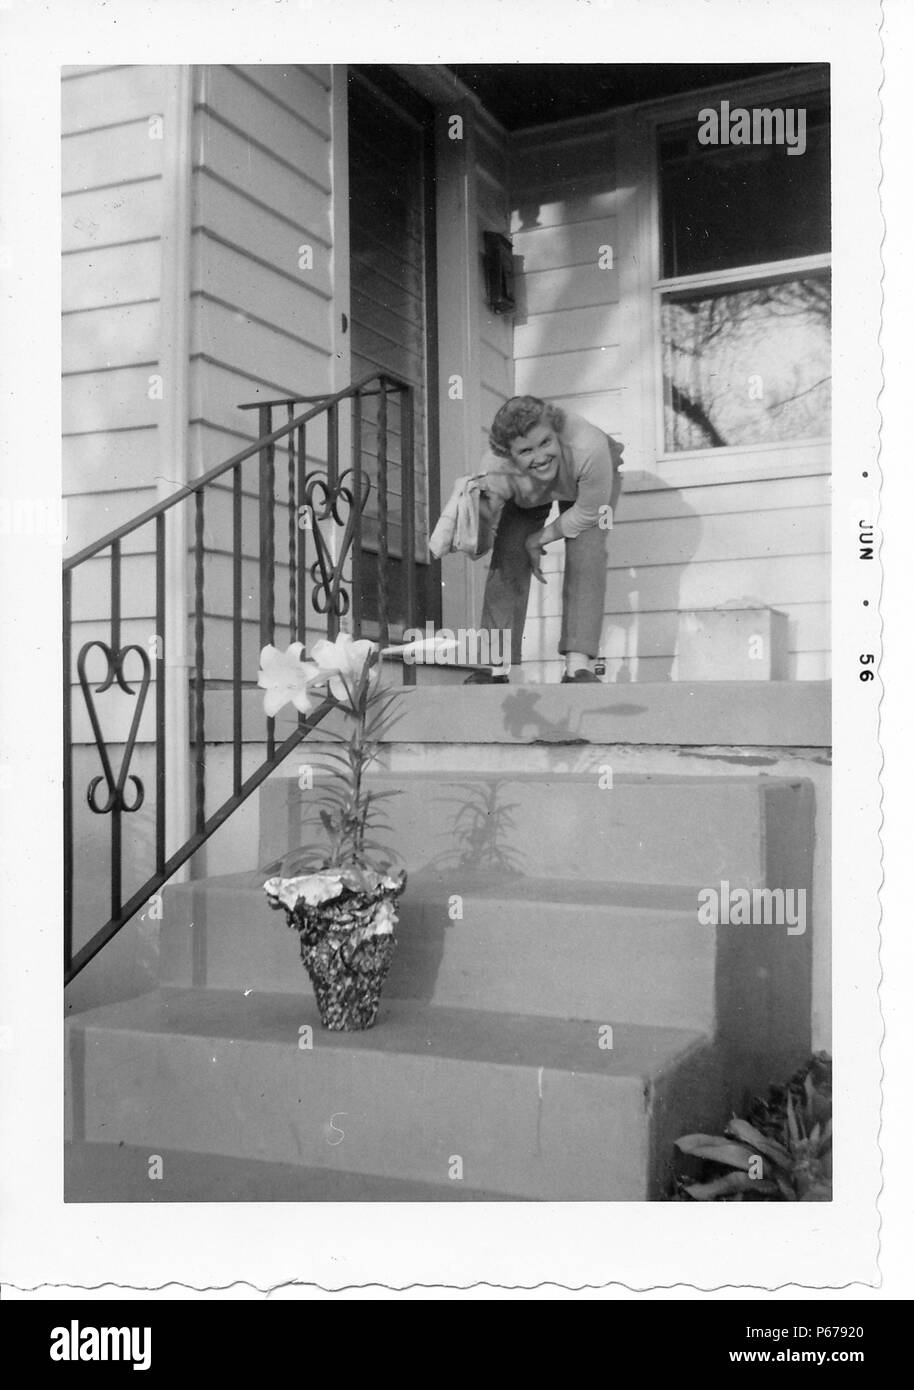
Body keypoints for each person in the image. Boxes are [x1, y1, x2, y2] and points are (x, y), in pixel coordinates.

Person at [460, 395, 623, 683]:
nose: (540, 456)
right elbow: (479, 541)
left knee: (588, 553)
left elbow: (587, 512)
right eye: (526, 450)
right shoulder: (496, 468)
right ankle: (494, 667)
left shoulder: (588, 446)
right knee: (508, 554)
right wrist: (471, 523)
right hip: (527, 487)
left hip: (584, 483)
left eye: (545, 442)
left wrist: (538, 539)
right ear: (508, 455)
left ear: (556, 432)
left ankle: (577, 666)